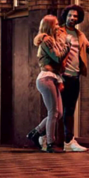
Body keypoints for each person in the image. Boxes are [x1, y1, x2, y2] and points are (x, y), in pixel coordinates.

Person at [51, 5, 89, 152]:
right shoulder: (58, 32)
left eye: (75, 16)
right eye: (70, 15)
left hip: (75, 77)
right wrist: (57, 76)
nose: (72, 18)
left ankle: (68, 141)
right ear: (66, 16)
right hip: (61, 77)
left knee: (69, 110)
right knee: (57, 111)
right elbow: (52, 54)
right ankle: (47, 137)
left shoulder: (79, 34)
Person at [27, 15, 69, 153]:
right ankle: (50, 143)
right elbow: (57, 57)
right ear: (50, 26)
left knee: (59, 113)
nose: (58, 26)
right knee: (53, 112)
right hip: (46, 78)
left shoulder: (52, 40)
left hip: (53, 78)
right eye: (56, 24)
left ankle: (36, 132)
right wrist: (67, 47)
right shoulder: (47, 41)